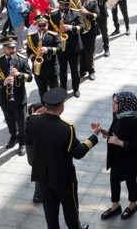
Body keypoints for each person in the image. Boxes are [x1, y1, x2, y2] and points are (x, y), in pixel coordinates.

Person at [24, 88, 99, 229]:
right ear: (61, 107)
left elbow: (27, 140)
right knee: (70, 210)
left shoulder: (32, 121)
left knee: (50, 211)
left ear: (45, 106)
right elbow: (78, 152)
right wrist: (93, 137)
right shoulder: (66, 128)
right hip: (63, 178)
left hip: (43, 175)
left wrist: (34, 116)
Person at [93, 92, 137, 221]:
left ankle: (133, 205)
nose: (113, 105)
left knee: (130, 181)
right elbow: (115, 132)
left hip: (130, 159)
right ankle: (115, 206)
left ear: (124, 105)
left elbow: (136, 145)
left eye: (116, 102)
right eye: (113, 101)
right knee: (114, 180)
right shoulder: (118, 115)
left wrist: (118, 142)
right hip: (117, 156)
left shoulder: (133, 121)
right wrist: (104, 132)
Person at [0, 36, 33, 155]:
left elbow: (30, 77)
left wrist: (19, 74)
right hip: (5, 98)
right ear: (4, 48)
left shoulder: (22, 59)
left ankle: (22, 142)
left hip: (19, 98)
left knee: (21, 122)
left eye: (13, 47)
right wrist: (4, 82)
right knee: (10, 121)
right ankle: (13, 137)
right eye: (9, 48)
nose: (12, 50)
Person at [50, 0, 84, 97]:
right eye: (62, 5)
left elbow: (82, 27)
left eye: (66, 5)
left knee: (74, 70)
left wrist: (70, 27)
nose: (64, 7)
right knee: (62, 70)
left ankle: (76, 88)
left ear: (69, 5)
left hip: (73, 47)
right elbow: (50, 30)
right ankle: (63, 90)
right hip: (61, 47)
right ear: (59, 4)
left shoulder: (75, 13)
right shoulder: (54, 14)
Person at [27, 15, 61, 100]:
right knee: (42, 92)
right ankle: (44, 106)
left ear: (48, 24)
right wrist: (34, 59)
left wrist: (48, 49)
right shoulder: (31, 37)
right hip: (38, 70)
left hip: (51, 69)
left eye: (44, 25)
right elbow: (29, 51)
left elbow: (60, 49)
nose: (42, 27)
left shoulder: (54, 35)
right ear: (36, 25)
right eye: (39, 25)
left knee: (54, 91)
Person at [77, 0, 100, 81]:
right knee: (81, 51)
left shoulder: (93, 2)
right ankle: (82, 69)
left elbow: (98, 15)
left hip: (90, 30)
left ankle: (91, 70)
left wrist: (87, 13)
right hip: (80, 30)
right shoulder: (76, 4)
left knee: (89, 51)